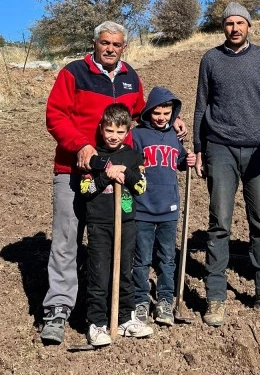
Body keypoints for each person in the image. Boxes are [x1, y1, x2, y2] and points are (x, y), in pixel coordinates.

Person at [42, 21, 186, 344]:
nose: (110, 48)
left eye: (116, 44)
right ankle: (58, 309)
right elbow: (55, 115)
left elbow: (142, 113)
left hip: (115, 179)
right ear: (95, 44)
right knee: (67, 239)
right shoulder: (74, 73)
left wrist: (171, 121)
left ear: (124, 47)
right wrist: (81, 145)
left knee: (110, 243)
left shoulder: (131, 78)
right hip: (73, 170)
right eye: (104, 42)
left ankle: (110, 311)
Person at [193, 2, 260, 327]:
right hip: (219, 147)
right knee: (219, 223)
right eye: (229, 23)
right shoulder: (211, 59)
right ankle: (216, 298)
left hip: (259, 149)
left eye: (240, 23)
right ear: (223, 27)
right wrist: (198, 150)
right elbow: (200, 107)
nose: (234, 28)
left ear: (249, 26)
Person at [80, 103, 153, 346]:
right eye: (109, 130)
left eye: (120, 132)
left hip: (127, 222)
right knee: (99, 275)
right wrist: (105, 176)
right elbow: (86, 191)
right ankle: (97, 323)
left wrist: (126, 173)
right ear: (101, 128)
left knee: (124, 273)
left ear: (128, 130)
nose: (114, 136)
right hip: (100, 224)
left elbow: (141, 187)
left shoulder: (132, 156)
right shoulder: (93, 157)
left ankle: (125, 318)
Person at [131, 86, 196, 326]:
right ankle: (140, 301)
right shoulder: (137, 136)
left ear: (173, 113)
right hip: (143, 208)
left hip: (169, 209)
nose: (162, 118)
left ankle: (165, 300)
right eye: (157, 112)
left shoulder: (173, 136)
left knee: (167, 258)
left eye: (167, 113)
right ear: (149, 111)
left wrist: (186, 159)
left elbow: (179, 160)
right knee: (142, 258)